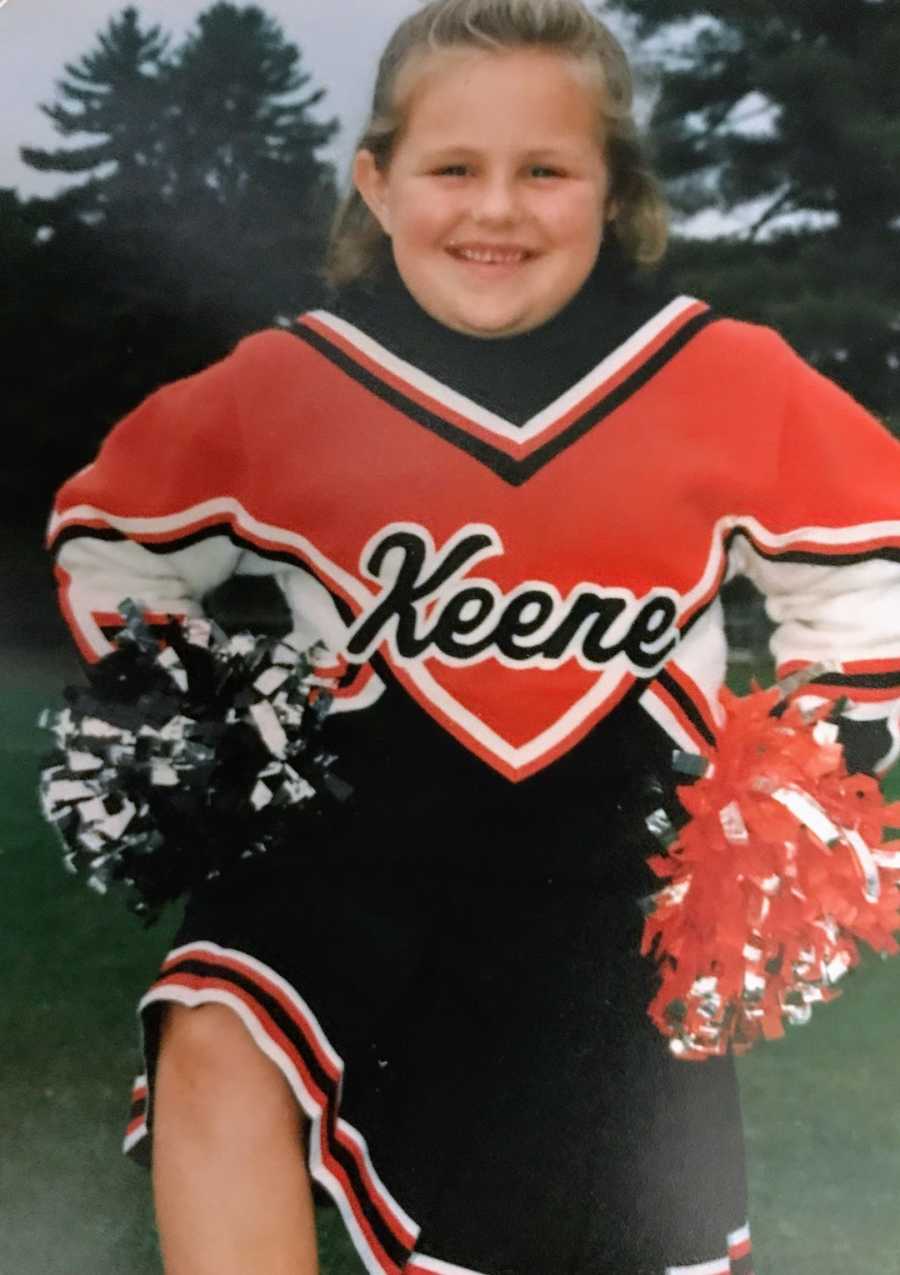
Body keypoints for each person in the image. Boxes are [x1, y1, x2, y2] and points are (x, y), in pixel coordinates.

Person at [47, 1, 900, 1272]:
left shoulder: (727, 377)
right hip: (346, 854)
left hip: (602, 905)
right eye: (453, 168)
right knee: (216, 1036)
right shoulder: (288, 384)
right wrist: (203, 729)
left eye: (545, 170)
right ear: (378, 184)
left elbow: (867, 580)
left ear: (611, 194)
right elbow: (113, 538)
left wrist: (793, 794)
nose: (494, 210)